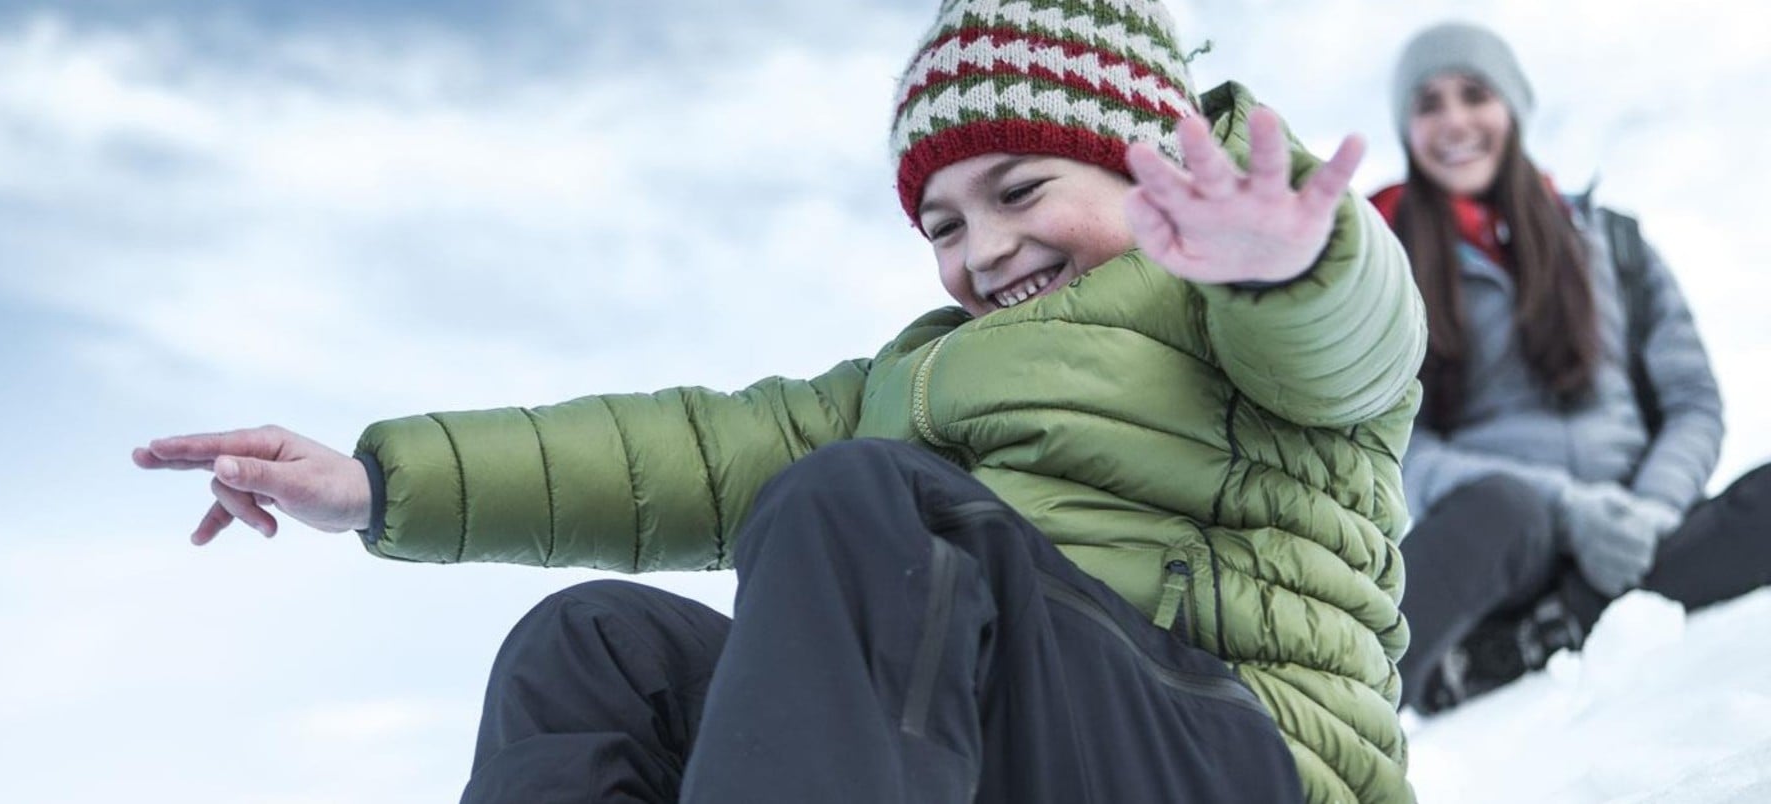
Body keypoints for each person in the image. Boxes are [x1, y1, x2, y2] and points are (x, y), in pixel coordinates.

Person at [137, 2, 1428, 801]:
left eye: (1022, 191)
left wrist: (1289, 263)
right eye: (942, 220)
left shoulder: (1242, 306)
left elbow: (1357, 345)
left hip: (1238, 759)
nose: (981, 249)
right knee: (588, 651)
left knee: (871, 510)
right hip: (1001, 749)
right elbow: (679, 456)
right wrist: (377, 483)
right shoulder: (903, 386)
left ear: (1150, 166)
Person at [1371, 22, 1771, 714]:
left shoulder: (1614, 244)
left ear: (1514, 108)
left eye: (1474, 94)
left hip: (1649, 531)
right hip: (1500, 544)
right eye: (1428, 104)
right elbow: (1395, 447)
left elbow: (1693, 402)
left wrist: (1647, 511)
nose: (1454, 121)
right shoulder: (1381, 269)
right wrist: (1568, 509)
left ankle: (1551, 629)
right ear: (1408, 128)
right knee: (1500, 510)